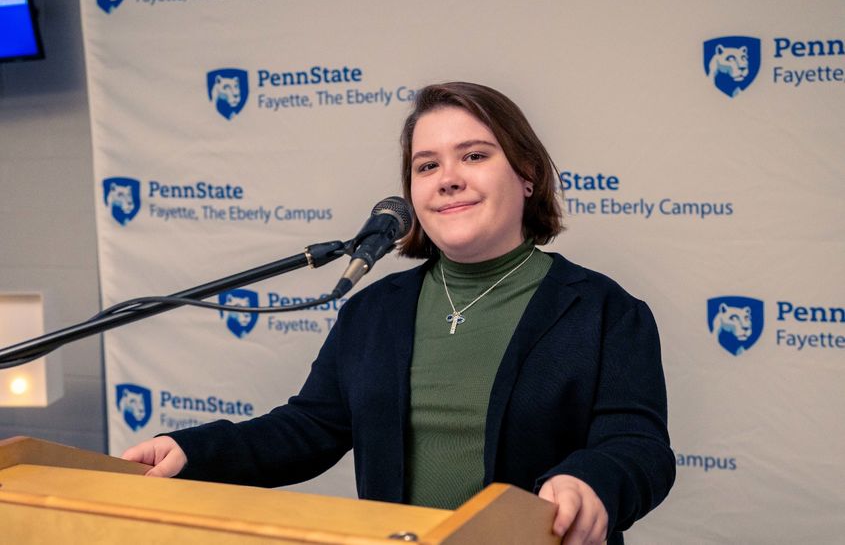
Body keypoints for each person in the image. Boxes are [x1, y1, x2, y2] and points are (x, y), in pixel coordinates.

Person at [122, 82, 675, 544]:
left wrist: (591, 481)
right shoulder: (375, 311)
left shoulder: (605, 311)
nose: (448, 177)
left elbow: (638, 447)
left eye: (475, 155)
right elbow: (310, 428)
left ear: (527, 174)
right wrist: (194, 451)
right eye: (426, 164)